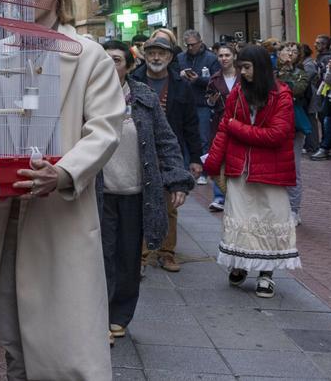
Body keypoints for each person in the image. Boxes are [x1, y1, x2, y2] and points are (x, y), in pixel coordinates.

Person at [0, 0, 125, 380]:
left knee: (61, 334)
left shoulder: (88, 55)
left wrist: (64, 172)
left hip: (56, 212)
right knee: (9, 326)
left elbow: (104, 129)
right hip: (0, 211)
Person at [99, 41, 194, 345]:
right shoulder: (87, 98)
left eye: (114, 60)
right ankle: (97, 317)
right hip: (98, 193)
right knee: (100, 257)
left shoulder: (144, 97)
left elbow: (166, 141)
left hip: (136, 191)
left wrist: (177, 179)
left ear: (128, 65)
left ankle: (119, 317)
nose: (107, 65)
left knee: (128, 259)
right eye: (102, 60)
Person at [204, 45, 301, 298]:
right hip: (240, 169)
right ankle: (240, 263)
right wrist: (213, 163)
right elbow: (223, 130)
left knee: (269, 221)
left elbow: (276, 135)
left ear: (261, 67)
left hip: (271, 171)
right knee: (240, 218)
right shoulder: (237, 93)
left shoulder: (281, 95)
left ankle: (266, 275)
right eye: (240, 68)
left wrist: (238, 127)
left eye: (246, 68)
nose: (242, 73)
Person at [137, 37, 203, 273]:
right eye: (152, 52)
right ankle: (142, 255)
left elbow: (191, 124)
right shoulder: (133, 81)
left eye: (161, 54)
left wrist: (195, 157)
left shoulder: (181, 85)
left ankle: (166, 252)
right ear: (144, 55)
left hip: (169, 154)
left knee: (170, 205)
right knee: (140, 203)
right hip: (138, 150)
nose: (156, 57)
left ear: (170, 58)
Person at [177, 30, 220, 183]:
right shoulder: (180, 58)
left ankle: (202, 171)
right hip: (183, 103)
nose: (190, 48)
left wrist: (199, 80)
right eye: (187, 45)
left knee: (202, 137)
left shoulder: (211, 58)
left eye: (192, 45)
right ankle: (188, 169)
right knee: (184, 137)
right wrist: (180, 75)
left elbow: (216, 82)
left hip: (202, 103)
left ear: (200, 43)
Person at [276, 43, 310, 224]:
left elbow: (296, 90)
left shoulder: (301, 73)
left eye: (294, 51)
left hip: (294, 125)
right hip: (274, 124)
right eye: (286, 50)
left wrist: (287, 71)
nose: (289, 54)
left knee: (293, 168)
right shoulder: (271, 71)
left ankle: (294, 210)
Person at [206, 42, 239, 212]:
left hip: (241, 123)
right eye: (220, 55)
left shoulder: (243, 75)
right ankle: (219, 196)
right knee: (219, 158)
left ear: (234, 56)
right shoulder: (214, 79)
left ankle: (236, 196)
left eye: (227, 55)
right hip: (220, 123)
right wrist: (211, 101)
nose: (224, 58)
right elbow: (209, 102)